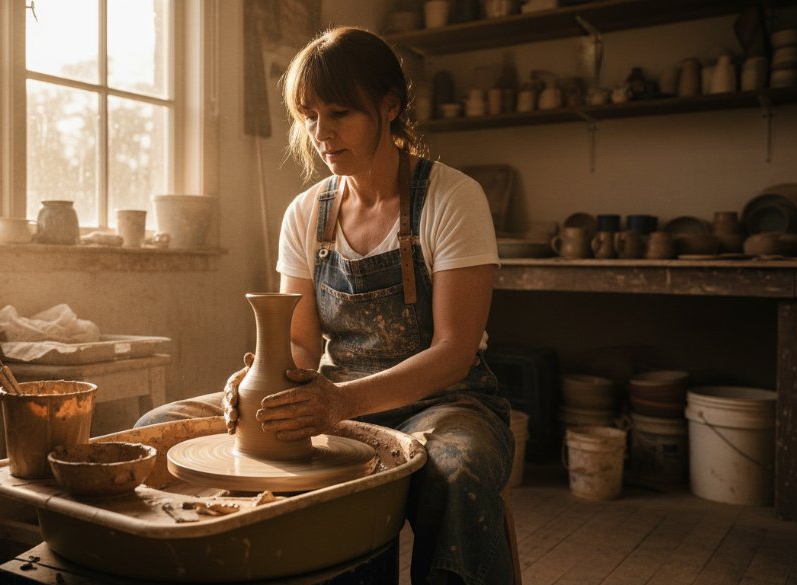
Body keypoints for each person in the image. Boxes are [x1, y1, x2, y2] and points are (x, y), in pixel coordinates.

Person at [136, 26, 514, 585]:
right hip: (335, 394)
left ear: (390, 106)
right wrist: (256, 381)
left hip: (445, 401)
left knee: (457, 470)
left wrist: (341, 402)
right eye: (309, 115)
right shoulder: (307, 213)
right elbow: (299, 344)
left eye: (339, 112)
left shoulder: (452, 197)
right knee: (158, 428)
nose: (321, 132)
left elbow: (454, 352)